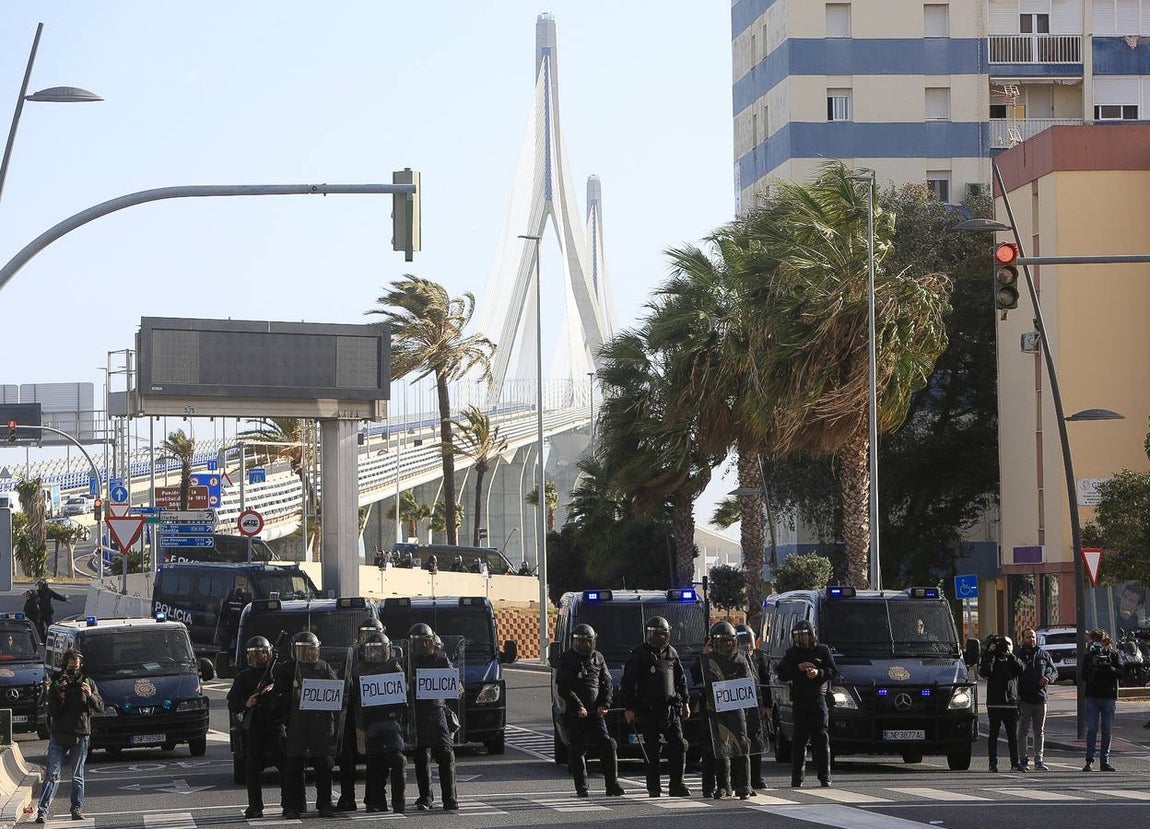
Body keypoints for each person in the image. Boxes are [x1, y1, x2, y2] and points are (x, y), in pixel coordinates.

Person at [620, 616, 691, 798]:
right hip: (648, 710)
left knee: (678, 746)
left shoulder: (671, 653)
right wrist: (629, 708)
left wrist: (685, 703)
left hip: (670, 710)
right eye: (655, 635)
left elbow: (681, 680)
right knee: (652, 750)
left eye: (662, 635)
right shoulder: (639, 655)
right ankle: (654, 787)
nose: (659, 638)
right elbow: (628, 683)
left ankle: (677, 785)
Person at [271, 631, 340, 819]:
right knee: (294, 765)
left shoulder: (324, 668)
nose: (309, 654)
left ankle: (325, 803)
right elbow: (275, 699)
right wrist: (291, 697)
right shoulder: (286, 670)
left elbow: (336, 694)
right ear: (295, 651)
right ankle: (294, 805)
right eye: (304, 650)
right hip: (297, 724)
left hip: (320, 724)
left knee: (324, 765)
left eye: (311, 650)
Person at [555, 624, 625, 797]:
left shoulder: (598, 658)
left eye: (587, 642)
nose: (584, 646)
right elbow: (564, 688)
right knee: (577, 750)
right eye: (580, 642)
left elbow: (607, 683)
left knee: (608, 745)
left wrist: (605, 704)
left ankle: (612, 785)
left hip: (596, 713)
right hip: (576, 714)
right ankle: (582, 787)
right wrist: (579, 706)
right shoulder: (567, 659)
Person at [35, 648, 103, 823]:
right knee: (51, 774)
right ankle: (42, 811)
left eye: (77, 662)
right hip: (59, 734)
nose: (75, 666)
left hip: (80, 735)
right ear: (66, 663)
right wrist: (61, 697)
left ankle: (76, 809)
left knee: (77, 775)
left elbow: (100, 707)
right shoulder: (57, 682)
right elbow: (51, 712)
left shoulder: (87, 681)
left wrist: (90, 696)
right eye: (72, 662)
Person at [349, 631, 408, 813]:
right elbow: (353, 697)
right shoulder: (359, 670)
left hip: (392, 723)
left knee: (398, 760)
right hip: (370, 723)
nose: (377, 654)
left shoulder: (394, 667)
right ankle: (377, 801)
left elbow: (404, 691)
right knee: (375, 762)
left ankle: (399, 801)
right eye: (372, 650)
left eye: (380, 650)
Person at [694, 622, 752, 800]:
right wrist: (704, 656)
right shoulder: (707, 659)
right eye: (722, 641)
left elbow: (748, 682)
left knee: (741, 745)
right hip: (714, 710)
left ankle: (744, 786)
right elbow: (696, 676)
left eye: (729, 641)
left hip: (735, 709)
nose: (726, 645)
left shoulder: (740, 659)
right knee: (720, 747)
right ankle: (723, 786)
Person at [227, 636, 281, 818]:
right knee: (251, 770)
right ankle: (255, 806)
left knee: (288, 766)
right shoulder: (244, 676)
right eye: (256, 654)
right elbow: (232, 702)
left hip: (275, 726)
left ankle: (291, 804)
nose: (261, 657)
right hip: (255, 728)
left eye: (264, 653)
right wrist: (247, 702)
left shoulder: (277, 673)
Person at [777, 620, 836, 788]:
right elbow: (781, 672)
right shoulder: (792, 654)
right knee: (798, 741)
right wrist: (798, 668)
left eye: (805, 636)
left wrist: (819, 672)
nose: (802, 640)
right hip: (800, 701)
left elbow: (833, 671)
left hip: (818, 700)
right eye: (799, 637)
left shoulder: (822, 651)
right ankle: (797, 778)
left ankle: (825, 777)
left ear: (813, 636)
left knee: (821, 740)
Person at [337, 618, 386, 811]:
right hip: (353, 714)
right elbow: (342, 679)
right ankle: (347, 798)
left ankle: (374, 798)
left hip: (377, 715)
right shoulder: (352, 655)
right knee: (347, 758)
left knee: (377, 758)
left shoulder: (388, 658)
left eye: (374, 634)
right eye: (366, 635)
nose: (369, 640)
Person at [409, 623, 459, 811]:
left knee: (446, 754)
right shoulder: (408, 662)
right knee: (421, 757)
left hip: (437, 712)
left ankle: (450, 798)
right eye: (419, 642)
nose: (423, 645)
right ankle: (425, 797)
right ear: (412, 644)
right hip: (417, 713)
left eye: (427, 641)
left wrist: (455, 687)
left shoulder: (441, 660)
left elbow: (455, 686)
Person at [979, 633, 1025, 772]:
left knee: (1012, 735)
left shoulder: (1011, 659)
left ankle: (1015, 763)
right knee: (993, 734)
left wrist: (1009, 654)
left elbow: (1021, 668)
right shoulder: (991, 658)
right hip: (994, 702)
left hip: (1010, 702)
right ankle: (992, 763)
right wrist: (991, 652)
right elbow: (985, 671)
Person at [1015, 628, 1059, 772]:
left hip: (1040, 699)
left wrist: (1048, 678)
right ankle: (1023, 759)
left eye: (1033, 637)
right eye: (1028, 637)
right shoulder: (1018, 655)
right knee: (1022, 731)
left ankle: (1039, 760)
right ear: (1023, 639)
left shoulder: (1043, 655)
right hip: (1024, 699)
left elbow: (1054, 671)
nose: (1031, 640)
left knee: (1039, 731)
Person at [735, 623, 770, 791]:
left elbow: (765, 680)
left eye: (748, 641)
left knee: (756, 741)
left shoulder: (758, 657)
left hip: (756, 704)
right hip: (738, 706)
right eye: (742, 641)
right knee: (740, 741)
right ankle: (739, 779)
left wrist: (768, 706)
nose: (746, 645)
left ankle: (756, 778)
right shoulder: (732, 658)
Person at [1081, 628, 1122, 772]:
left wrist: (1110, 668)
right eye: (1096, 642)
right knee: (1091, 729)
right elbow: (1083, 676)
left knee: (1107, 730)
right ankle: (1089, 760)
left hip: (1108, 697)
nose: (1099, 645)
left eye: (1101, 641)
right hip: (1092, 696)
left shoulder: (1113, 654)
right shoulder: (1089, 656)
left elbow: (1122, 672)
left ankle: (1105, 761)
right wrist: (1093, 664)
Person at [217, 584, 251, 661]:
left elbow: (222, 614)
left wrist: (224, 621)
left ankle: (223, 661)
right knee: (239, 644)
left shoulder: (228, 601)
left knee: (225, 645)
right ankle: (238, 660)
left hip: (228, 626)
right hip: (239, 626)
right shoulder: (245, 602)